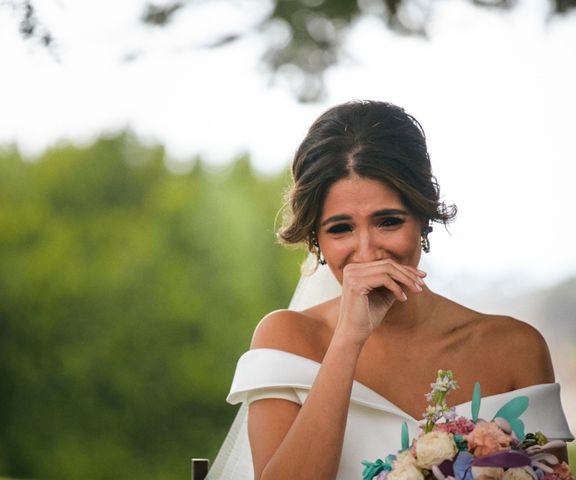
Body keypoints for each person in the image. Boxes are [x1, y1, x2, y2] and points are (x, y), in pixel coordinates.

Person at [206, 100, 573, 480]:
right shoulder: (285, 339)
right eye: (340, 229)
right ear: (315, 240)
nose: (366, 252)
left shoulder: (515, 347)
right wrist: (348, 340)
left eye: (388, 221)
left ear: (424, 221)